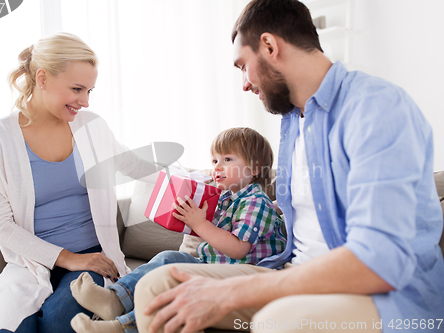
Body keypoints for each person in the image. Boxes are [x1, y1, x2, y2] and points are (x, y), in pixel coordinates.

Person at [132, 0, 444, 332]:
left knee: (278, 321)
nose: (244, 83)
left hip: (384, 295)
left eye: (242, 65)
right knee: (159, 285)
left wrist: (236, 291)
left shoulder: (375, 107)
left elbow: (379, 259)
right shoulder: (293, 122)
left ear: (269, 46)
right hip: (293, 273)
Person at [0, 32, 156, 333]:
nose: (85, 101)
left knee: (60, 324)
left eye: (89, 91)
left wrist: (203, 179)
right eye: (77, 89)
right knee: (7, 329)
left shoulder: (92, 127)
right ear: (42, 78)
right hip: (30, 265)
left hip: (94, 258)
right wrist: (65, 259)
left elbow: (133, 164)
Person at [68, 127, 286, 333]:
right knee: (167, 263)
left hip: (240, 272)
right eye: (215, 160)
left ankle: (117, 312)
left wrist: (200, 224)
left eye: (227, 159)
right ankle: (117, 311)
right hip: (215, 267)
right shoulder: (224, 199)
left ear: (255, 168)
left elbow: (238, 249)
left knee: (168, 266)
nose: (217, 167)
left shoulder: (256, 202)